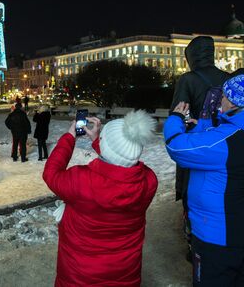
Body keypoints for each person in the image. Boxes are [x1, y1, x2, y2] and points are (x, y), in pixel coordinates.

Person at [164, 71, 244, 287]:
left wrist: (176, 119)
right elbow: (225, 139)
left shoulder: (226, 142)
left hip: (220, 235)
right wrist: (203, 127)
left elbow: (176, 147)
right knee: (242, 279)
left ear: (235, 102)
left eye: (225, 96)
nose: (221, 100)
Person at [43, 112, 158, 286]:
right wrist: (99, 142)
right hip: (125, 273)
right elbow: (121, 164)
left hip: (79, 276)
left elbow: (51, 173)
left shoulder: (80, 181)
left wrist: (69, 137)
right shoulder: (148, 181)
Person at [170, 35, 228, 261]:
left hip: (195, 146)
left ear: (191, 56)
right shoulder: (227, 77)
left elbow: (178, 112)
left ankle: (195, 244)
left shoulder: (188, 79)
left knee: (192, 194)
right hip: (223, 145)